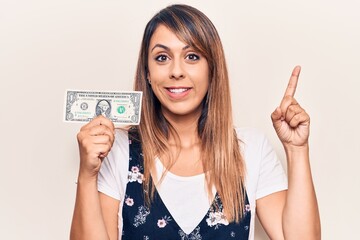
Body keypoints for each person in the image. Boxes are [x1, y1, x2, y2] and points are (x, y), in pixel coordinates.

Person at [70, 4, 320, 240]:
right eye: (161, 58)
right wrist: (87, 173)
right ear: (147, 72)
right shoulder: (118, 150)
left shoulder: (251, 150)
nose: (176, 71)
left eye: (191, 56)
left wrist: (296, 150)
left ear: (212, 70)